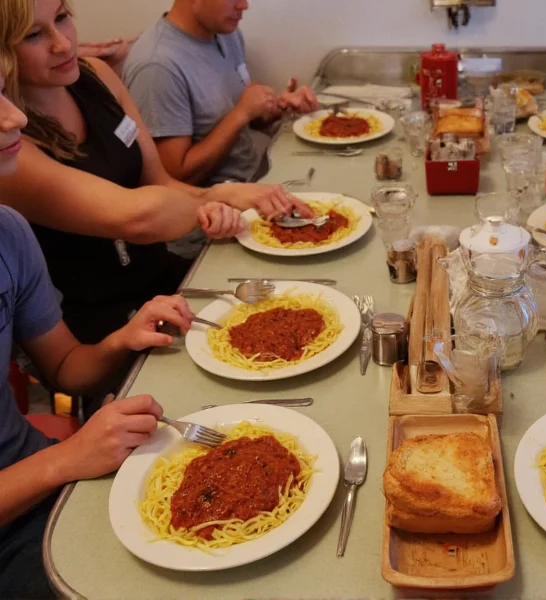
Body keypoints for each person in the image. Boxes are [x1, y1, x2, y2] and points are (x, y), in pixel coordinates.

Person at [0, 0, 307, 346]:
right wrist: (216, 197)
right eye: (34, 35)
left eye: (61, 18)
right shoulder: (11, 150)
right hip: (97, 326)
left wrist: (222, 197)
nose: (63, 43)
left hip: (161, 283)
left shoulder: (97, 75)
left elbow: (159, 180)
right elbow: (135, 218)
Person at [0, 72, 184, 600]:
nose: (15, 117)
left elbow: (64, 367)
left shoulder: (9, 233)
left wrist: (120, 341)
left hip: (40, 479)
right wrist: (70, 455)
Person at [122, 0, 320, 188]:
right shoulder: (158, 67)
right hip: (214, 207)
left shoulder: (225, 34)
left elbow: (245, 115)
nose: (244, 5)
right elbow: (174, 179)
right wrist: (241, 113)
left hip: (256, 176)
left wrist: (278, 106)